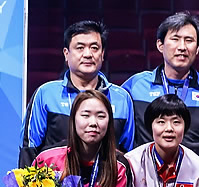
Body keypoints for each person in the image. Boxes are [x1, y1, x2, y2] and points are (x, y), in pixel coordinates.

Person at [19, 20, 134, 167]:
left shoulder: (122, 98)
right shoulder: (46, 94)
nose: (88, 54)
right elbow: (29, 148)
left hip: (106, 180)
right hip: (55, 180)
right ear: (66, 54)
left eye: (94, 48)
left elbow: (129, 153)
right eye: (80, 48)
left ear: (102, 54)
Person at [122, 11, 199, 162]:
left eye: (189, 40)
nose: (182, 47)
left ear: (197, 48)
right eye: (175, 39)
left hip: (194, 174)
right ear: (160, 45)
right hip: (145, 173)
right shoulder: (136, 85)